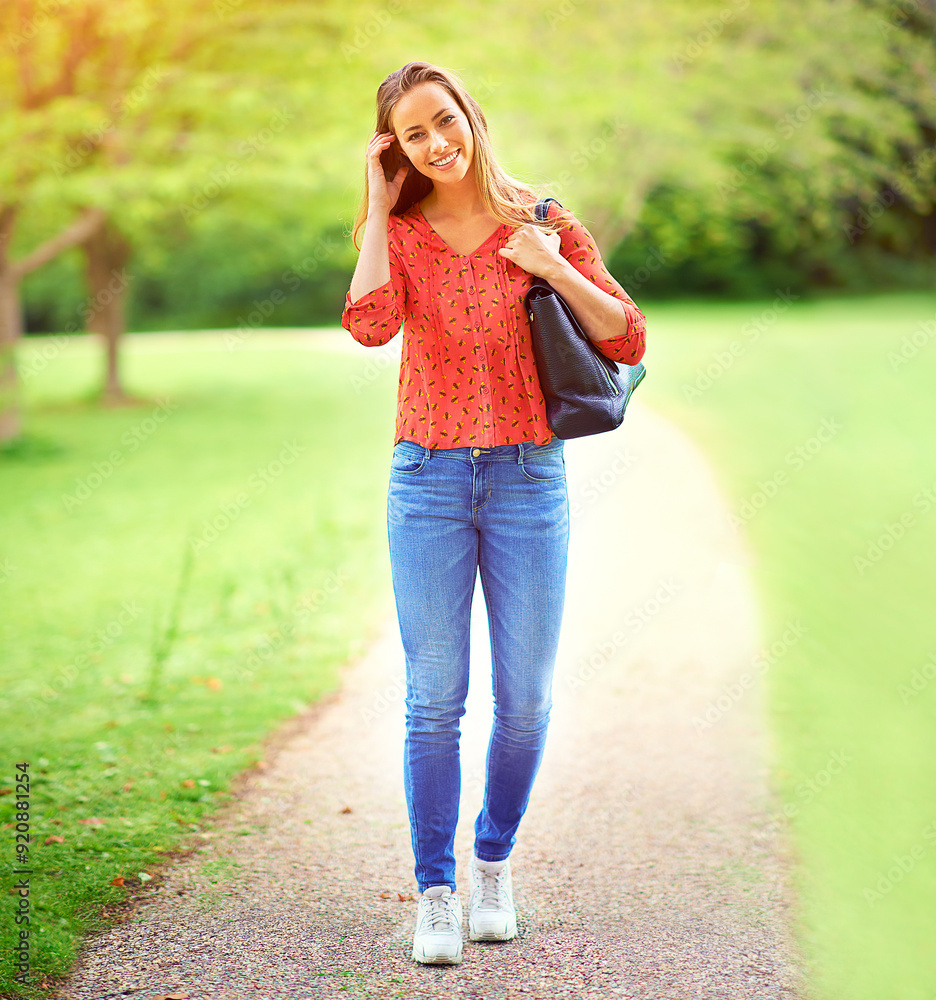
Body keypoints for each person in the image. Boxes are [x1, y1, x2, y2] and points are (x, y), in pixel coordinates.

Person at [341, 61, 646, 965]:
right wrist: (372, 202)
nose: (437, 145)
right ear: (396, 149)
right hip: (426, 481)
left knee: (526, 700)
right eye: (412, 137)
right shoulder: (398, 232)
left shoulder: (544, 221)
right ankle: (434, 890)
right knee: (434, 701)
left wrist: (550, 265)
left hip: (526, 481)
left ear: (471, 115)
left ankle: (493, 862)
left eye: (445, 122)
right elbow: (368, 327)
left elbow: (625, 336)